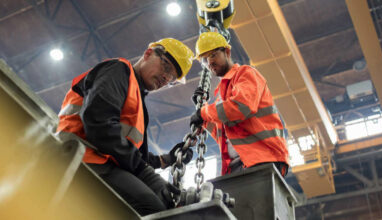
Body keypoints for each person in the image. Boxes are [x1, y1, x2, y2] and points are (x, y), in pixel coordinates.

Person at [56, 38, 194, 215]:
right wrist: (142, 170)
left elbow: (134, 156)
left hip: (105, 161)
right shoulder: (117, 70)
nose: (166, 78)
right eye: (166, 67)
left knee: (167, 205)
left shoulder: (138, 101)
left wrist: (165, 160)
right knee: (151, 208)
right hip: (82, 155)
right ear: (148, 54)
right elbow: (99, 123)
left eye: (172, 78)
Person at [190, 32, 289, 176]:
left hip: (264, 158)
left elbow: (240, 107)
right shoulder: (221, 96)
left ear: (227, 52)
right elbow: (222, 134)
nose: (209, 62)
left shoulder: (245, 74)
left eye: (212, 55)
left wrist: (204, 113)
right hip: (238, 165)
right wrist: (203, 118)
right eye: (204, 60)